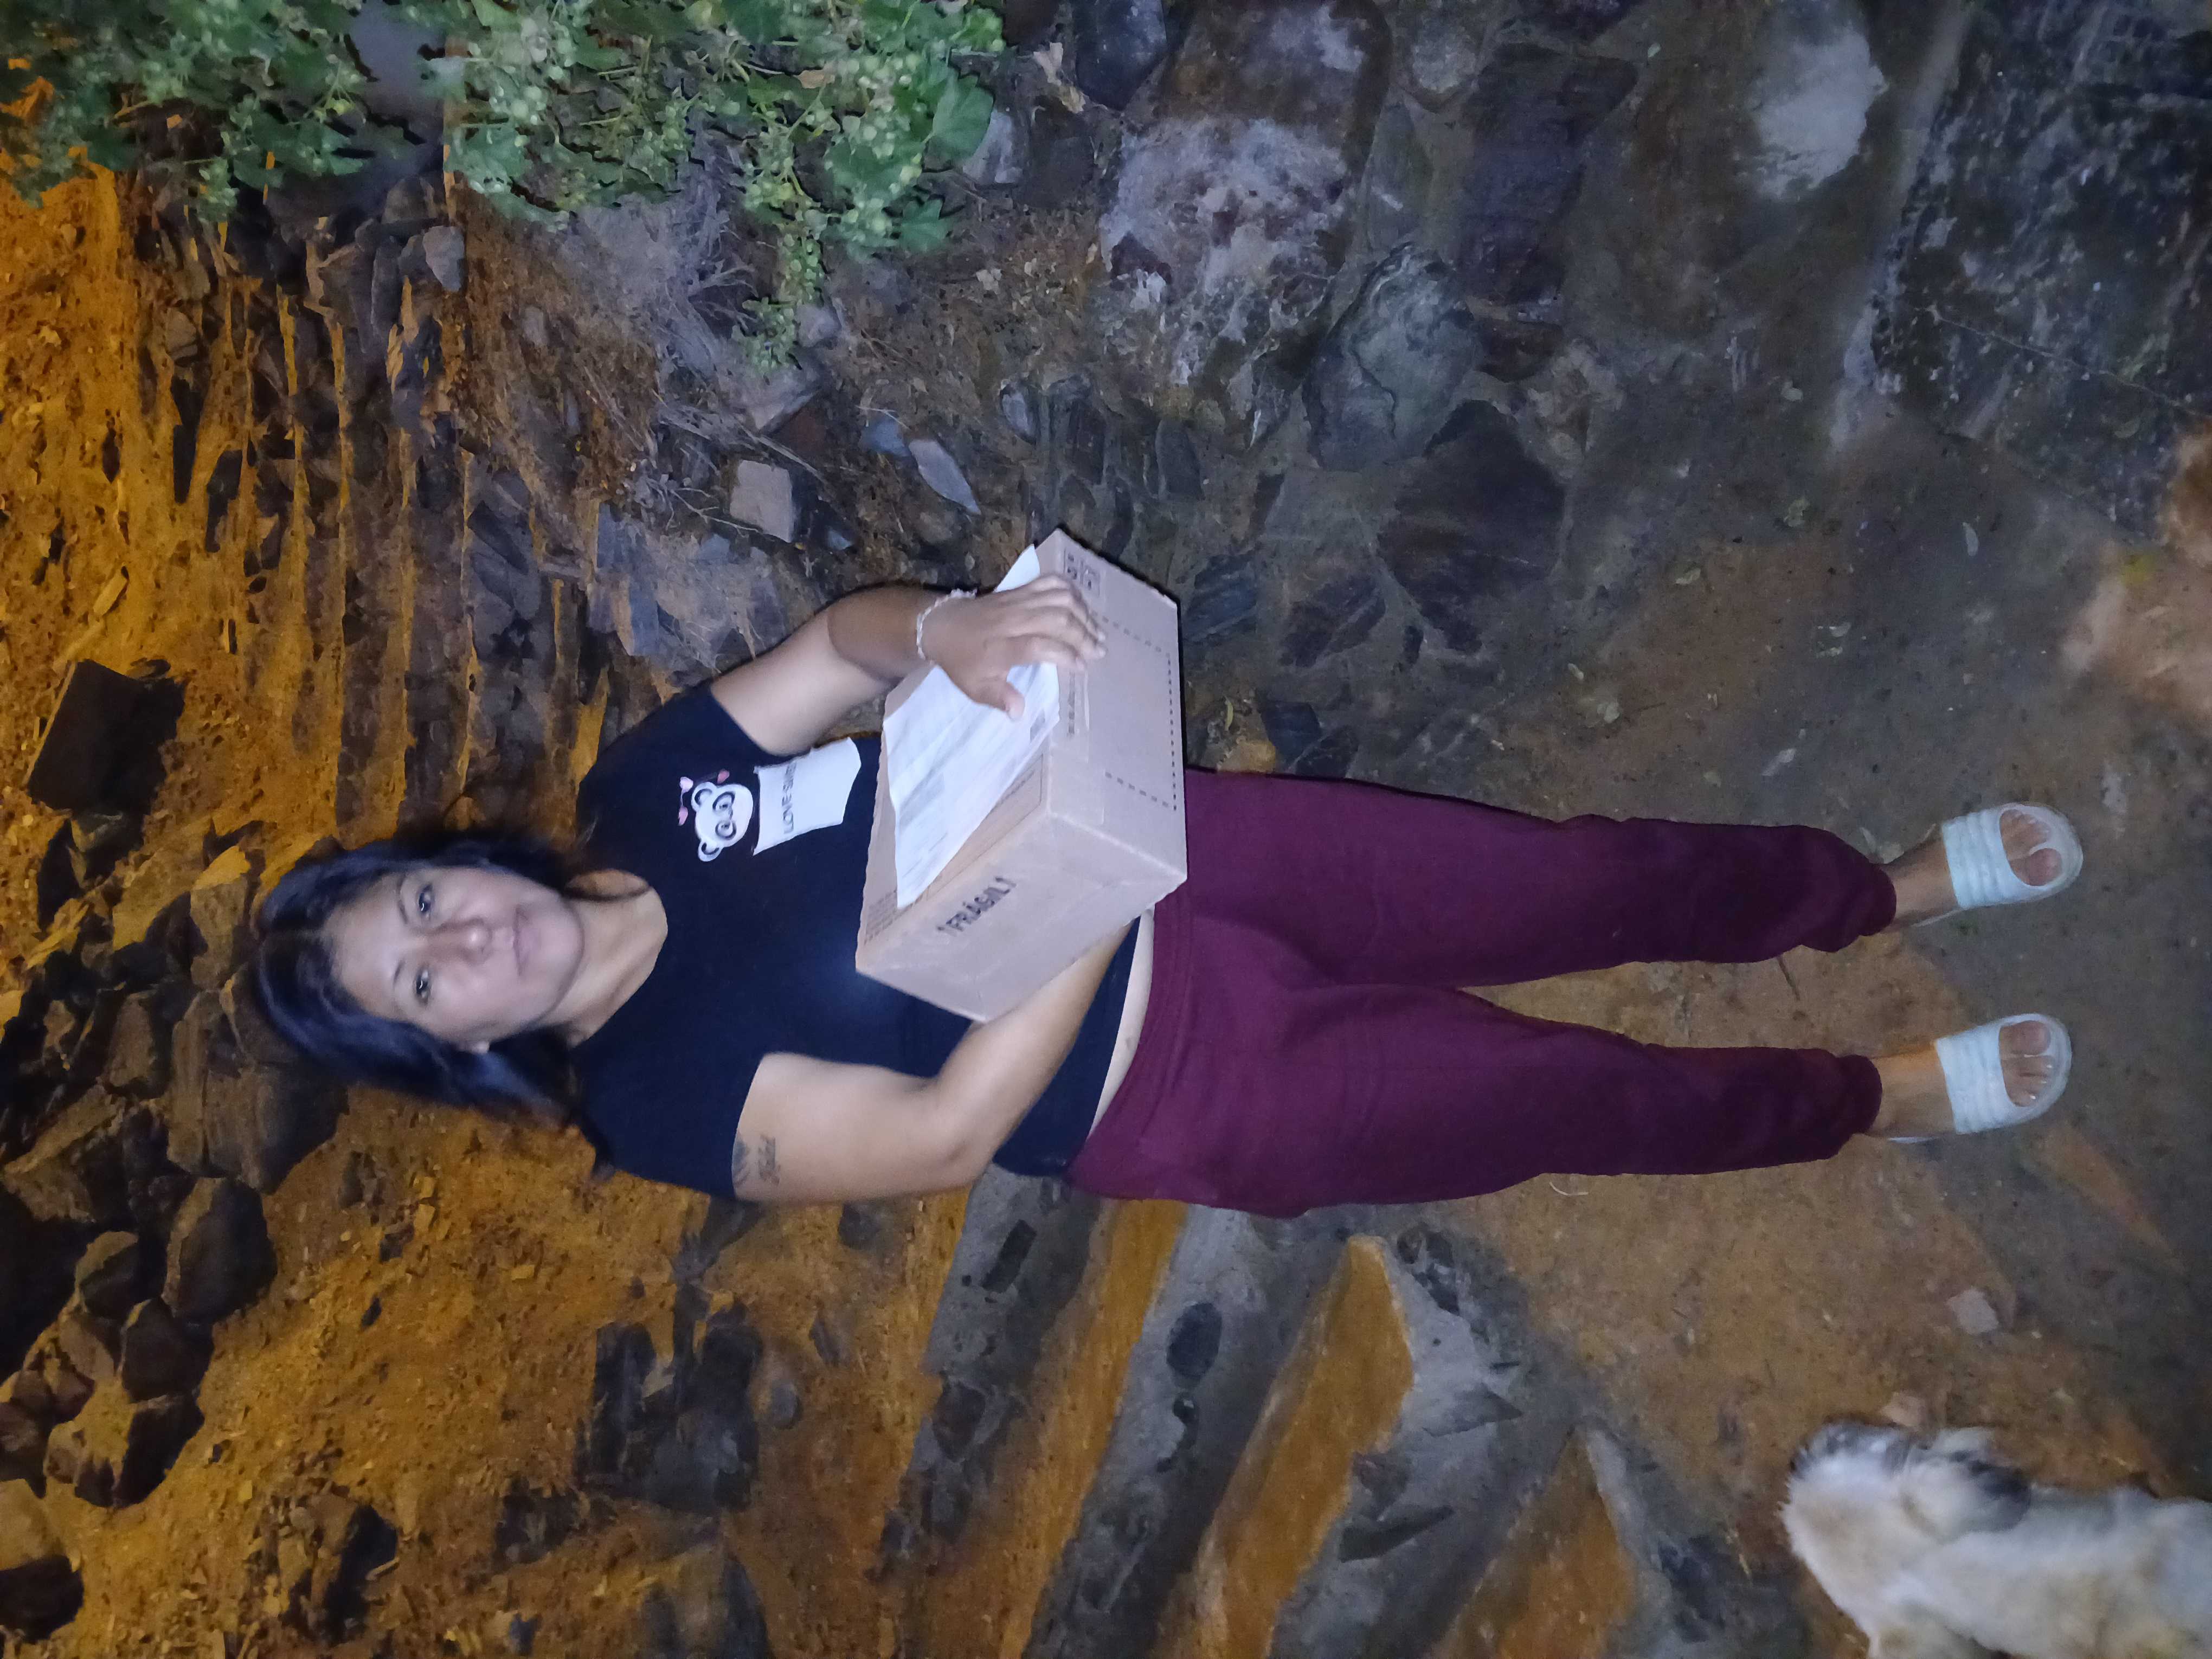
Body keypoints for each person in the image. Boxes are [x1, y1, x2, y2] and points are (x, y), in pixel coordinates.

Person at [249, 577, 2082, 1218]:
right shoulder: (648, 1102)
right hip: (1186, 1083)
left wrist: (945, 632)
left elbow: (834, 652)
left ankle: (1873, 890)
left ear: (447, 857)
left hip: (1211, 852)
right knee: (1566, 1095)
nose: (462, 941)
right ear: (453, 1047)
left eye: (422, 905)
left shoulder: (643, 792)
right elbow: (941, 1137)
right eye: (423, 985)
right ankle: (1868, 1101)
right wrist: (1078, 891)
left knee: (1576, 875)